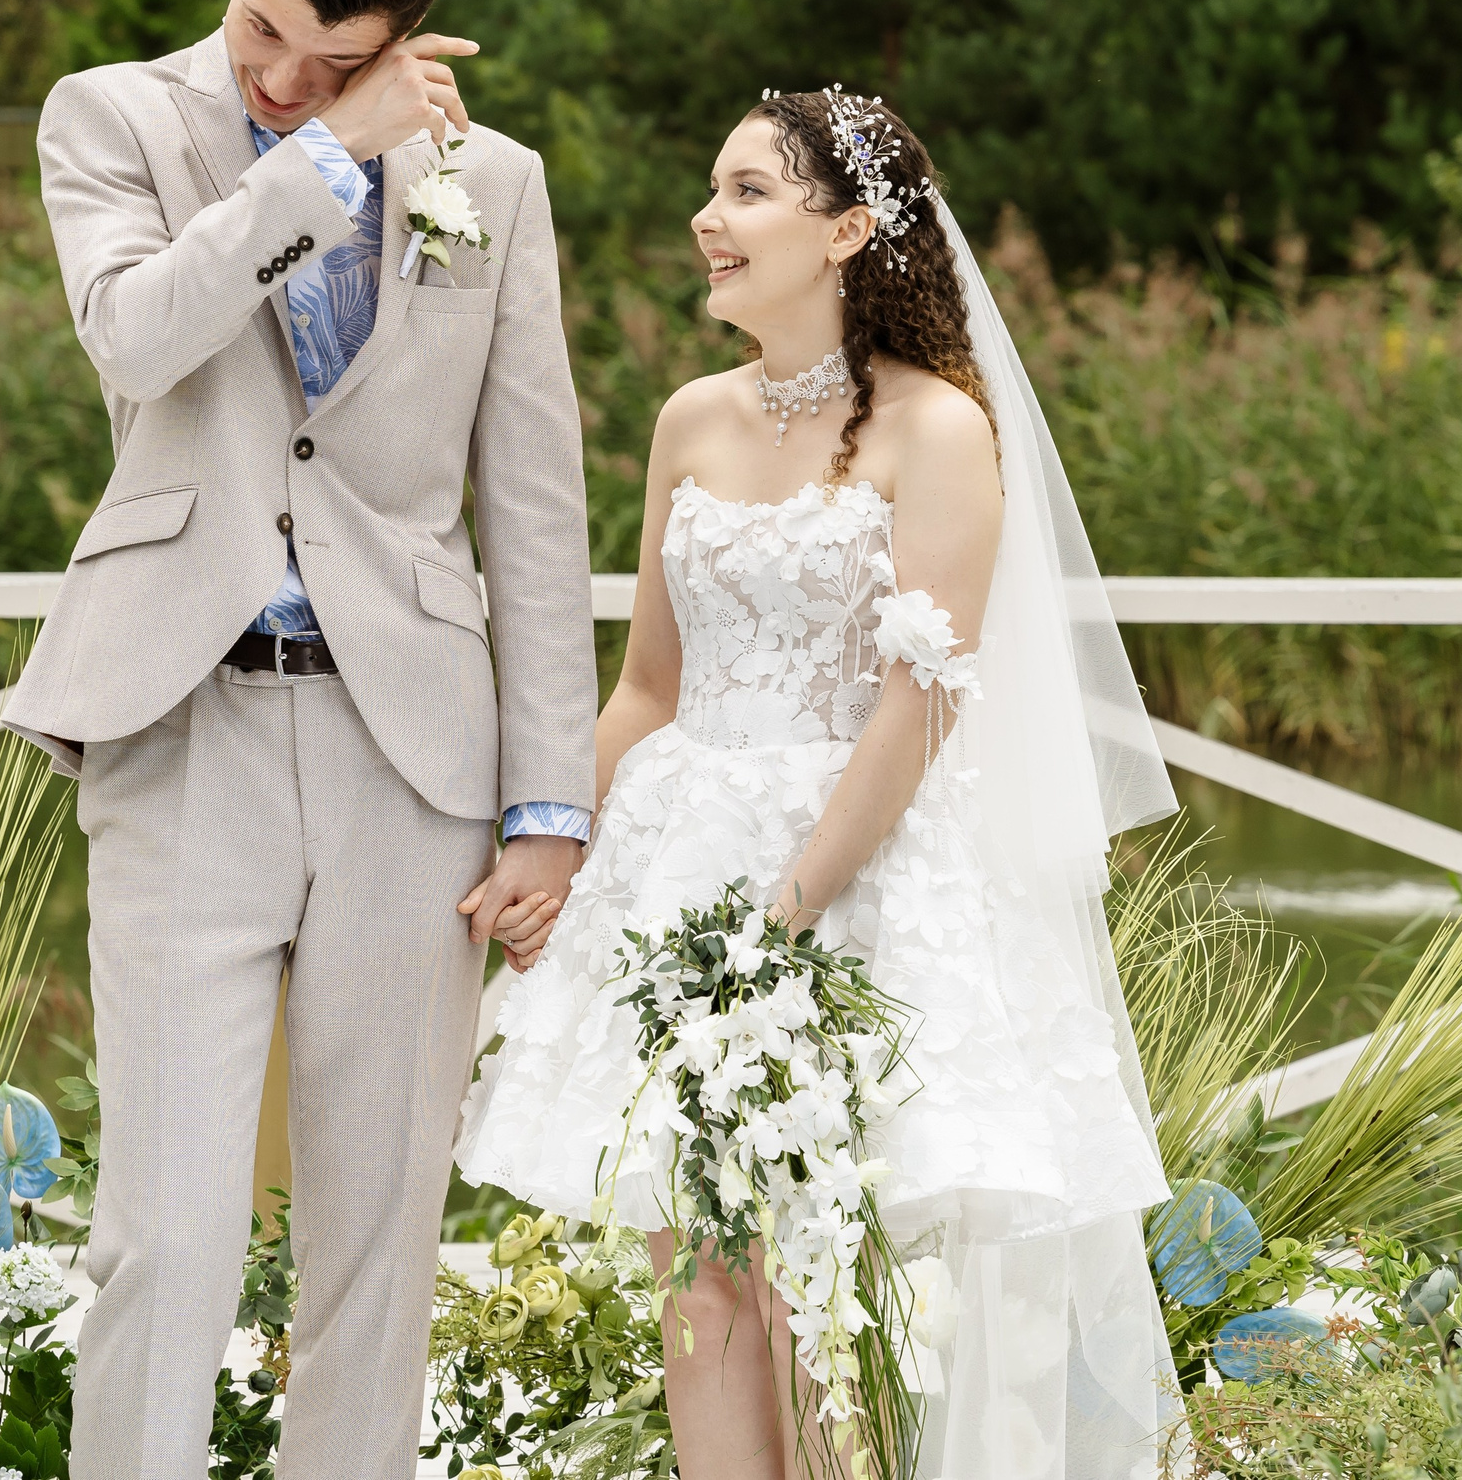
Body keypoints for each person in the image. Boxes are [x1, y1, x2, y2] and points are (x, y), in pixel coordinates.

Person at [454, 89, 1181, 1480]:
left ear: (847, 230)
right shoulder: (688, 422)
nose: (705, 221)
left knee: (824, 1296)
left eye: (744, 194)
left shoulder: (940, 430)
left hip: (852, 889)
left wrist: (789, 910)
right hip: (675, 877)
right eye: (712, 191)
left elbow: (925, 701)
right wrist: (547, 841)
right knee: (700, 1281)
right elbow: (649, 689)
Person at [0, 0, 597, 1480]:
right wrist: (326, 150)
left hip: (413, 756)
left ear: (409, 35)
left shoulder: (503, 183)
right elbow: (134, 332)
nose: (274, 74)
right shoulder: (112, 119)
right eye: (261, 26)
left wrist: (550, 800)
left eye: (329, 61)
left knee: (382, 1237)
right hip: (182, 724)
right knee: (167, 1233)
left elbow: (534, 507)